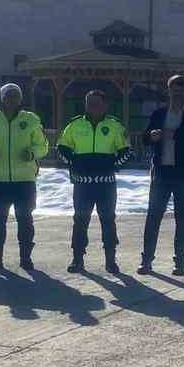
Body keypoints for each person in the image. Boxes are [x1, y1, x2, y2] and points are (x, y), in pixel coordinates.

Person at [140, 75, 184, 276]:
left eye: (182, 91)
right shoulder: (159, 113)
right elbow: (145, 138)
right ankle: (146, 260)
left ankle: (180, 262)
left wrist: (172, 134)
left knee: (183, 219)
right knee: (153, 217)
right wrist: (151, 136)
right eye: (175, 90)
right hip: (162, 172)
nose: (178, 94)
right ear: (168, 91)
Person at [58, 89, 131, 274]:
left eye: (97, 103)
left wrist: (112, 166)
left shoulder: (114, 126)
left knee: (108, 221)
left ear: (105, 105)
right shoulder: (74, 125)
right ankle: (77, 259)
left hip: (105, 184)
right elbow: (62, 148)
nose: (93, 107)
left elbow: (126, 151)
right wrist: (75, 163)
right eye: (89, 103)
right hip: (82, 184)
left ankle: (110, 260)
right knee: (80, 221)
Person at [0, 83, 49, 271]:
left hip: (25, 181)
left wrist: (31, 154)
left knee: (25, 220)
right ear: (1, 98)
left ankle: (25, 258)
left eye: (15, 96)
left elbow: (42, 146)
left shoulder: (31, 120)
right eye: (7, 96)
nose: (11, 100)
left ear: (20, 99)